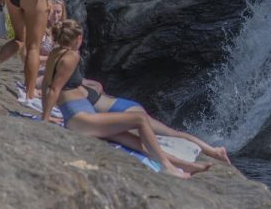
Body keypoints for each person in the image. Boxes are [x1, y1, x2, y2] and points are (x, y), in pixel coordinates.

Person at [41, 20, 194, 178]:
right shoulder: (71, 57)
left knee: (133, 140)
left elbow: (47, 83)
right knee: (140, 119)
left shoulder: (56, 52)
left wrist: (46, 115)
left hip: (85, 118)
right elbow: (54, 88)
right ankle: (167, 166)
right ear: (79, 38)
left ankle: (185, 165)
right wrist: (45, 120)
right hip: (81, 120)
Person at [92, 93, 231, 164]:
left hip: (118, 113)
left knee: (142, 142)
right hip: (124, 104)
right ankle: (214, 151)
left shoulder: (75, 90)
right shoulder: (87, 84)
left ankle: (173, 164)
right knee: (173, 133)